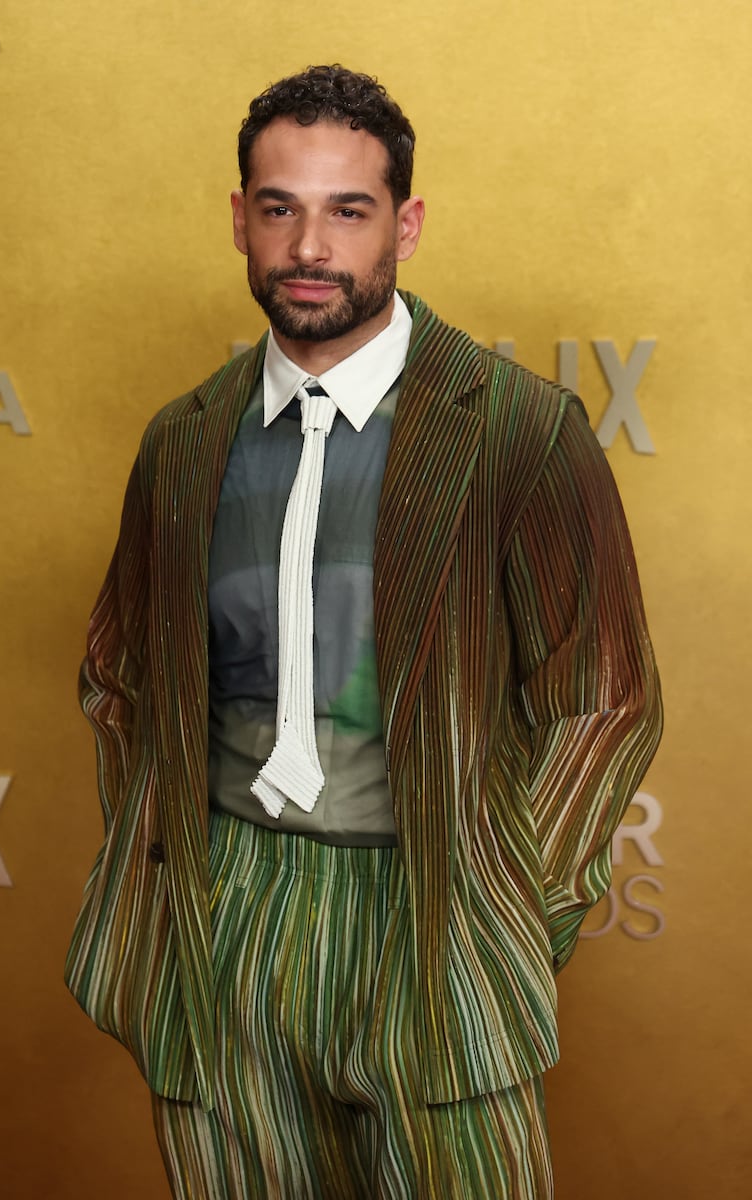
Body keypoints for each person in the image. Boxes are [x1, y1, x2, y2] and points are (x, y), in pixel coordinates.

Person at [65, 64, 663, 1200]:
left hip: (429, 915)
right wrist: (168, 874)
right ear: (239, 220)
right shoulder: (182, 440)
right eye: (279, 208)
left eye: (348, 210)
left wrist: (507, 906)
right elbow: (120, 676)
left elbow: (604, 695)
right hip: (224, 924)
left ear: (406, 225)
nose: (309, 246)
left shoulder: (518, 429)